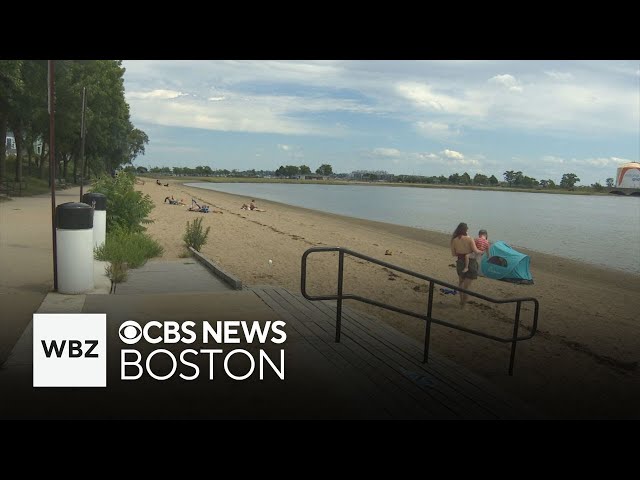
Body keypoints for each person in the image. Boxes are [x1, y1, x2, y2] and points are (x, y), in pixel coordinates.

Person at [450, 222, 483, 307]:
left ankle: (461, 301)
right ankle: (463, 304)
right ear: (466, 230)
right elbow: (476, 251)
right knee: (466, 287)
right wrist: (482, 251)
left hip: (460, 262)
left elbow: (454, 254)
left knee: (461, 283)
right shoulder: (469, 239)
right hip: (470, 263)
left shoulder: (454, 240)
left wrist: (461, 252)